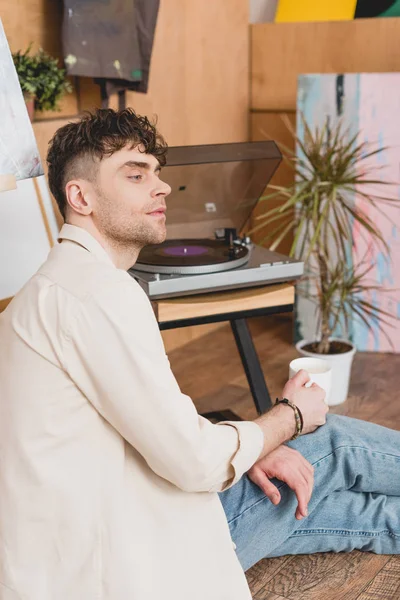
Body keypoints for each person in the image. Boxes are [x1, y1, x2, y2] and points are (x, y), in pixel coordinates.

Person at [0, 108, 399, 600]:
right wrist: (290, 417)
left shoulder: (52, 288)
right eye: (135, 174)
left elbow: (153, 427)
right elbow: (192, 462)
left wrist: (246, 448)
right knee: (329, 443)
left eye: (157, 173)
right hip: (127, 564)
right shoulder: (95, 293)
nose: (162, 187)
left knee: (333, 504)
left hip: (79, 560)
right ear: (80, 197)